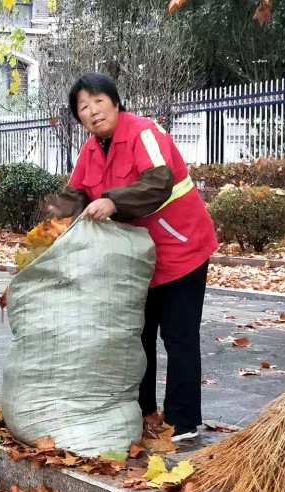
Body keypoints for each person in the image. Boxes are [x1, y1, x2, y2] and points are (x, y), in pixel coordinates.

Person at [49, 73, 218, 442]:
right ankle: (142, 411)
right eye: (83, 107)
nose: (92, 111)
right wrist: (48, 236)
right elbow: (74, 195)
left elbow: (160, 180)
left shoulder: (143, 132)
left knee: (178, 335)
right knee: (137, 335)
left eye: (98, 101)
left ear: (114, 101)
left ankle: (185, 422)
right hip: (138, 258)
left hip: (182, 246)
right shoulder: (91, 150)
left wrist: (114, 200)